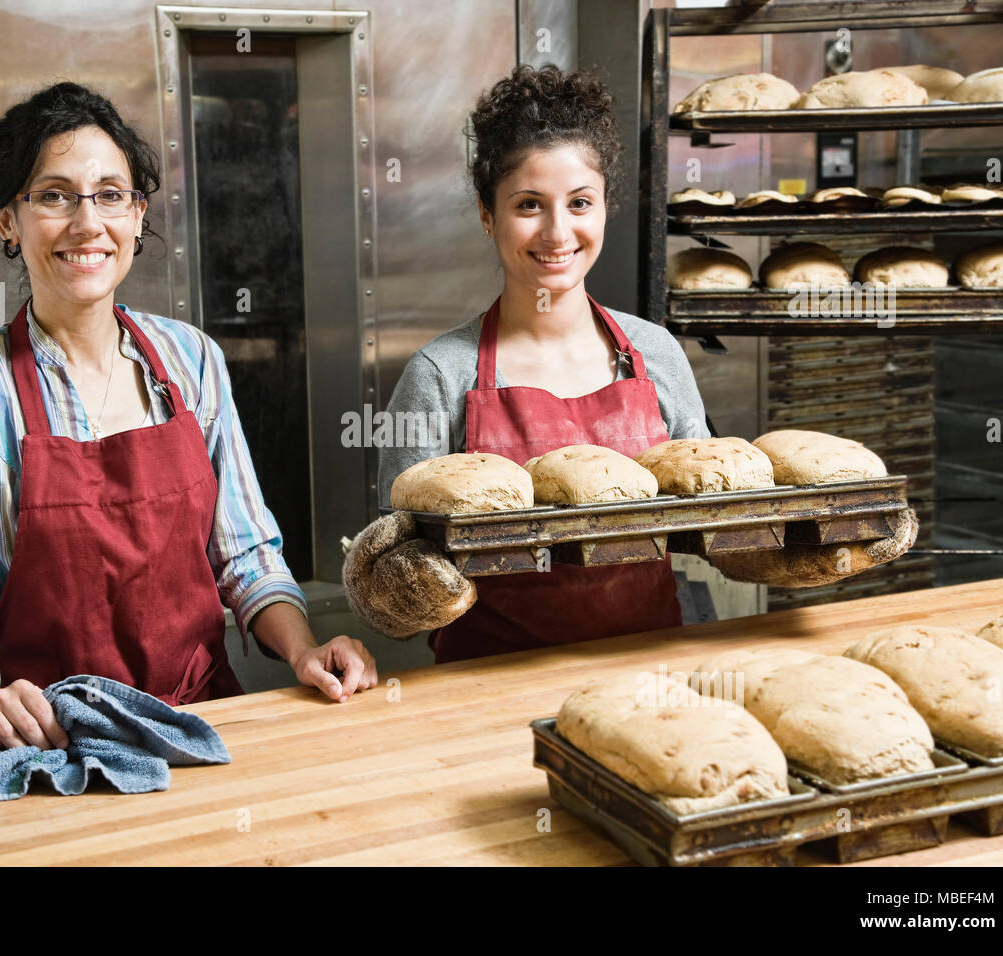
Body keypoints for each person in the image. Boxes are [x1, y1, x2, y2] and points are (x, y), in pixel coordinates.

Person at [343, 65, 915, 662]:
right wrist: (403, 587)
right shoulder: (441, 373)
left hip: (653, 664)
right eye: (529, 205)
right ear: (488, 216)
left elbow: (712, 533)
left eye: (580, 203)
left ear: (605, 209)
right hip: (490, 677)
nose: (557, 231)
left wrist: (826, 546)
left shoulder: (655, 353)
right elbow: (393, 572)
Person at [0, 82, 376, 751]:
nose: (86, 223)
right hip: (48, 747)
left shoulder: (191, 362)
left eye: (109, 194)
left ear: (136, 213)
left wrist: (301, 650)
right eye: (54, 195)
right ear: (8, 219)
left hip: (198, 729)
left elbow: (245, 557)